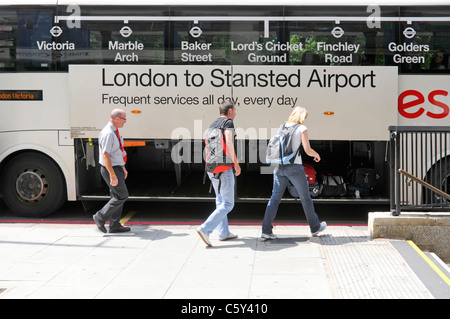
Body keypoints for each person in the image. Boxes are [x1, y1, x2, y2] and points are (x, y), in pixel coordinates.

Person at [261, 106, 326, 239]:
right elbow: (307, 150)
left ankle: (266, 231)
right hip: (295, 168)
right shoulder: (302, 128)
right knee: (306, 198)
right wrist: (316, 154)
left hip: (280, 166)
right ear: (302, 117)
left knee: (274, 199)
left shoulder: (282, 126)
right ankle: (315, 227)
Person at [196, 100, 241, 246]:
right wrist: (236, 163)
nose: (235, 113)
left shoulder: (213, 124)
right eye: (234, 110)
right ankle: (205, 229)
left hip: (211, 167)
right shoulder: (228, 123)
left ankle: (223, 232)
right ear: (229, 111)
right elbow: (229, 143)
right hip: (223, 167)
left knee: (220, 200)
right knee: (228, 204)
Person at [93, 109, 131, 233]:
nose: (125, 121)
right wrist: (112, 174)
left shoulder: (115, 132)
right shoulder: (108, 133)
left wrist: (123, 167)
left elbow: (118, 151)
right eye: (124, 119)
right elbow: (105, 155)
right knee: (122, 195)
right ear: (117, 119)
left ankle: (114, 225)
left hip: (117, 167)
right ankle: (100, 217)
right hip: (111, 169)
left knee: (116, 196)